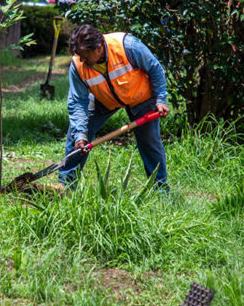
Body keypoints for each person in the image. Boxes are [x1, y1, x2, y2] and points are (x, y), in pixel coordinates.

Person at [59, 24, 170, 189]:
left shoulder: (128, 46)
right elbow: (77, 101)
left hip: (140, 97)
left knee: (150, 142)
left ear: (98, 48)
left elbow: (155, 69)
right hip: (103, 99)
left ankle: (161, 190)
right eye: (79, 55)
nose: (82, 60)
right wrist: (81, 134)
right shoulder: (78, 65)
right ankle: (66, 186)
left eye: (85, 55)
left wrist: (160, 98)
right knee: (76, 136)